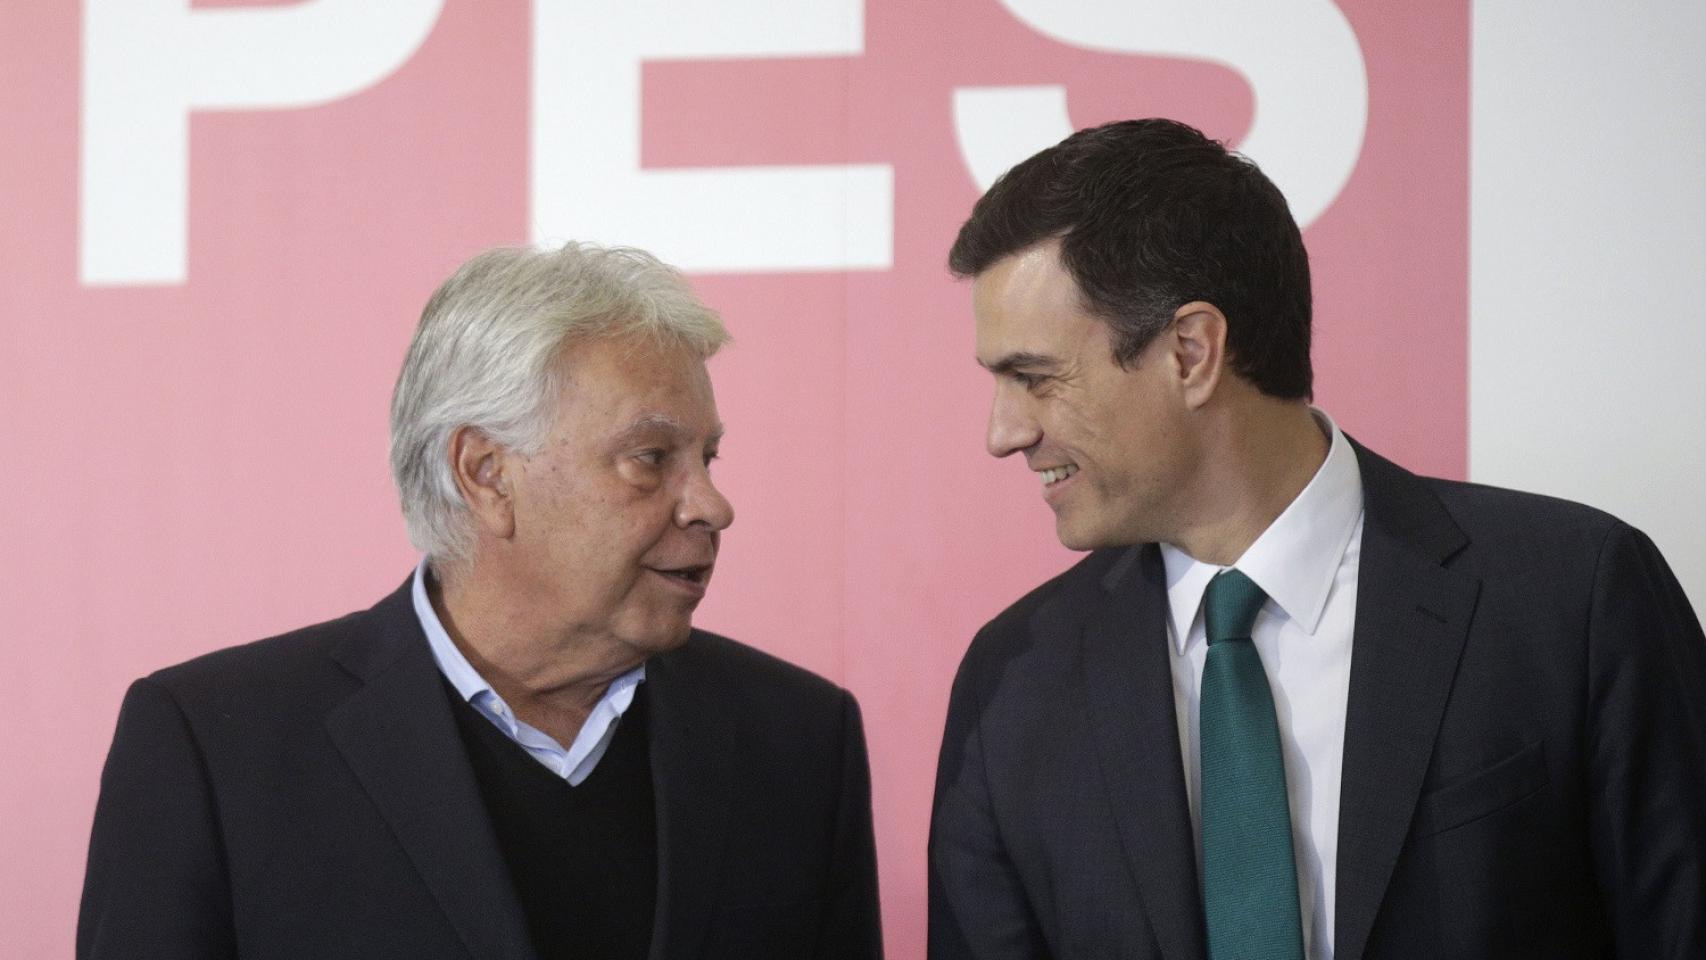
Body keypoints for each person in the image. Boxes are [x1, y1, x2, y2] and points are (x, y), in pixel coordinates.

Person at [928, 118, 1706, 960]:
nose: (1004, 433)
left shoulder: (1572, 599)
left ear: (1191, 351)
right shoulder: (1013, 685)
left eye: (1034, 379)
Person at [79, 243, 882, 960]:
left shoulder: (801, 740)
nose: (711, 504)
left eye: (706, 456)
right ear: (486, 474)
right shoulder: (216, 745)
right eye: (651, 458)